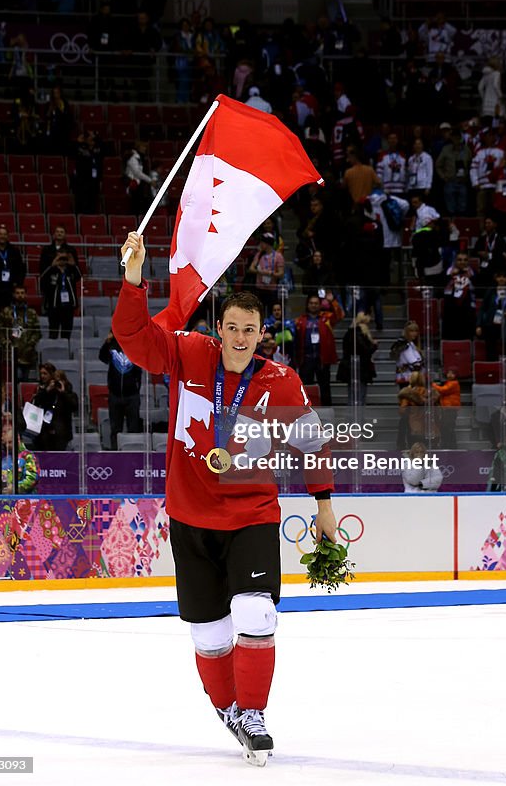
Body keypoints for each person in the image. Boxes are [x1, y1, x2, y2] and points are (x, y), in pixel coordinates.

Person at [113, 232, 337, 764]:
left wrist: (324, 505)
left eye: (250, 329)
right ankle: (229, 707)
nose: (240, 337)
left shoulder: (281, 382)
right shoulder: (188, 352)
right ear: (220, 329)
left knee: (256, 614)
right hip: (191, 518)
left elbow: (310, 443)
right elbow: (132, 337)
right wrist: (133, 277)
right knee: (210, 636)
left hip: (252, 515)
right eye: (232, 327)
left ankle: (254, 712)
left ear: (263, 334)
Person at [294, 292, 343, 405]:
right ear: (307, 305)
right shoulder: (300, 320)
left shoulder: (327, 318)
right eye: (311, 303)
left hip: (322, 359)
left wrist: (332, 301)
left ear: (320, 305)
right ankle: (306, 411)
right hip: (306, 359)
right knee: (305, 387)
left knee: (325, 386)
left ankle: (327, 411)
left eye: (316, 303)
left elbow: (339, 315)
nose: (313, 305)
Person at [99, 332, 143, 450]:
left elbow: (140, 369)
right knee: (115, 429)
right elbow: (102, 358)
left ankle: (133, 455)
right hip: (115, 395)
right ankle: (115, 455)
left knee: (133, 429)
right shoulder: (112, 345)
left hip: (132, 395)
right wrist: (106, 343)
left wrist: (136, 388)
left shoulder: (135, 346)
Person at [0, 284, 41, 382]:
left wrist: (31, 344)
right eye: (17, 293)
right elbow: (0, 331)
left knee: (25, 381)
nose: (20, 295)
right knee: (15, 380)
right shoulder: (6, 311)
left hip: (27, 354)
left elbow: (37, 332)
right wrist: (5, 343)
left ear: (26, 295)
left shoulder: (31, 313)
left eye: (22, 293)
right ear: (13, 294)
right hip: (11, 353)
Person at [29, 363, 78, 451]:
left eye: (45, 373)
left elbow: (74, 407)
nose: (42, 376)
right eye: (41, 374)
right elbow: (37, 403)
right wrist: (47, 390)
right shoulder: (43, 390)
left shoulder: (69, 393)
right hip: (44, 432)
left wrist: (63, 393)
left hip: (61, 433)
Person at [40, 251, 82, 340]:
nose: (62, 261)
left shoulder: (70, 270)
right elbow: (42, 279)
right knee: (53, 333)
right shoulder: (52, 270)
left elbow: (79, 277)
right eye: (60, 259)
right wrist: (52, 265)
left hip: (68, 307)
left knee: (66, 333)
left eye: (65, 259)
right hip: (54, 306)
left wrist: (73, 264)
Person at [341, 311, 377, 407]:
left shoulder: (349, 333)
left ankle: (354, 419)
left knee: (353, 395)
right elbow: (365, 350)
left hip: (353, 367)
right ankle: (358, 420)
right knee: (359, 396)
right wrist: (374, 345)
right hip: (359, 368)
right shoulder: (358, 333)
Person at [0, 423, 39, 494]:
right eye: (6, 443)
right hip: (8, 502)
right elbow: (1, 480)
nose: (7, 446)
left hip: (27, 500)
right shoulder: (5, 460)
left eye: (10, 442)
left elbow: (33, 479)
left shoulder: (28, 456)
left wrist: (15, 488)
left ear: (18, 439)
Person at [432, 369, 461, 449]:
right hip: (447, 409)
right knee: (445, 427)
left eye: (452, 373)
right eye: (448, 372)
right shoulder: (449, 383)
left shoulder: (454, 383)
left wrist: (433, 385)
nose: (449, 374)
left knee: (449, 428)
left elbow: (443, 390)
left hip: (451, 409)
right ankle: (447, 444)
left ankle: (452, 446)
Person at [390, 321, 423, 388]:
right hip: (407, 377)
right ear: (406, 332)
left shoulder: (411, 344)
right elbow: (413, 361)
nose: (414, 333)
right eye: (411, 331)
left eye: (416, 331)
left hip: (412, 376)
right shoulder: (404, 345)